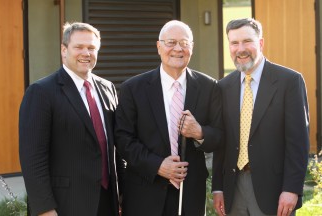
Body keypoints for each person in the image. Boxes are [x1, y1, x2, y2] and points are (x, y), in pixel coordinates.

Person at [114, 20, 222, 216]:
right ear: (159, 46)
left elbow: (220, 135)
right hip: (144, 192)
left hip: (189, 195)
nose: (178, 49)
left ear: (192, 47)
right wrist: (158, 166)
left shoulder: (209, 87)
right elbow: (123, 139)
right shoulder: (133, 88)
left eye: (184, 43)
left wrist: (200, 132)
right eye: (171, 42)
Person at [19, 22, 125, 216]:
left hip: (107, 201)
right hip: (65, 204)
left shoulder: (107, 88)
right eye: (79, 47)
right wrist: (44, 209)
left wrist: (122, 194)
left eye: (91, 48)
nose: (86, 53)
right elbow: (32, 158)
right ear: (64, 50)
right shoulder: (41, 92)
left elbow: (115, 147)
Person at [212, 18, 310, 216]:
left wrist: (291, 189)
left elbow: (298, 142)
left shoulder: (289, 82)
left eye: (247, 41)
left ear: (261, 43)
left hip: (274, 190)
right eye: (234, 43)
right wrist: (218, 188)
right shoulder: (223, 87)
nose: (240, 49)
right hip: (234, 188)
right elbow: (222, 142)